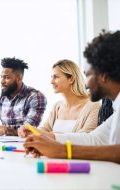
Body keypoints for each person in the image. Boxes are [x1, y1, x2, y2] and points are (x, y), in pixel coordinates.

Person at [24, 30, 120, 163]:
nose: (86, 83)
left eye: (88, 75)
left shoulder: (96, 106)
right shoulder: (117, 109)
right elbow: (94, 139)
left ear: (103, 75)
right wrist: (49, 142)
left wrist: (61, 150)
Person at [18, 60, 100, 137]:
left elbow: (85, 139)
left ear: (71, 79)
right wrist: (31, 130)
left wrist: (50, 135)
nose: (51, 81)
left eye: (56, 77)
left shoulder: (93, 106)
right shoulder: (57, 106)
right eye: (52, 77)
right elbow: (43, 129)